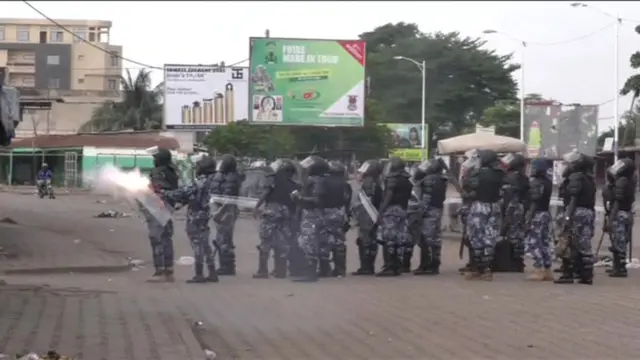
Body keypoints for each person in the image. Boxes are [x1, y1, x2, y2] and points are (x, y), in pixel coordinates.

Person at [162, 155, 219, 283]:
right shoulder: (212, 180)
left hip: (196, 215)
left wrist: (164, 193)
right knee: (205, 244)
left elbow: (183, 192)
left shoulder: (201, 181)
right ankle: (212, 272)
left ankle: (199, 274)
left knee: (197, 244)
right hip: (205, 214)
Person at [252, 159, 300, 279]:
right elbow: (297, 202)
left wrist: (256, 206)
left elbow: (265, 193)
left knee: (266, 241)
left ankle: (262, 271)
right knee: (282, 242)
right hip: (286, 214)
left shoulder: (274, 180)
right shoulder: (295, 185)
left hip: (272, 212)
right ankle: (280, 271)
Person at [554, 151, 596, 285]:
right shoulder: (588, 178)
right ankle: (586, 275)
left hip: (575, 213)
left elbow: (573, 198)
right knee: (584, 244)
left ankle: (568, 274)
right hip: (587, 212)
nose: (567, 166)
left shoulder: (575, 178)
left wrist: (567, 217)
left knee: (568, 242)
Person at [462, 149, 504, 281]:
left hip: (480, 206)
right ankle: (487, 269)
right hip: (495, 206)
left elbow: (467, 185)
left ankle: (478, 268)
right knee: (490, 238)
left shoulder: (477, 173)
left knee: (476, 237)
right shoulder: (500, 174)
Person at [290, 155, 330, 282]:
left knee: (309, 243)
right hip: (311, 214)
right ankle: (317, 270)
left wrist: (300, 199)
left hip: (312, 215)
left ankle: (310, 273)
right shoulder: (316, 179)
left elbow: (317, 200)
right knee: (310, 242)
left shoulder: (316, 180)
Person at [146, 147, 180, 283]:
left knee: (156, 238)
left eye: (155, 158)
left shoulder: (157, 172)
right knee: (167, 238)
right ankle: (169, 271)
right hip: (169, 207)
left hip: (158, 208)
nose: (153, 160)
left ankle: (159, 271)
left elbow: (156, 190)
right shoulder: (172, 171)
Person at [376, 157, 413, 277]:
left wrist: (381, 211)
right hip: (402, 209)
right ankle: (397, 265)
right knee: (399, 238)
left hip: (391, 210)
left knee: (389, 238)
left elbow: (389, 195)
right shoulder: (406, 179)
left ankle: (389, 266)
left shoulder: (392, 179)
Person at [603, 158, 636, 278]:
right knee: (619, 241)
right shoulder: (630, 180)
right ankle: (617, 267)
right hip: (626, 214)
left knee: (619, 242)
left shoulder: (622, 181)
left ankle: (620, 269)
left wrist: (610, 219)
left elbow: (617, 201)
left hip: (619, 214)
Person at [211, 154, 243, 276]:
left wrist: (220, 212)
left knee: (225, 238)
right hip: (224, 209)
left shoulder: (231, 178)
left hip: (226, 210)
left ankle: (227, 266)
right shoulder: (227, 176)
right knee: (222, 237)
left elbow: (228, 197)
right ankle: (226, 265)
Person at [414, 159, 447, 275]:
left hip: (429, 212)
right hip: (437, 210)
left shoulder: (429, 179)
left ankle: (426, 265)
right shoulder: (441, 179)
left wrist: (420, 213)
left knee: (426, 239)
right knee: (435, 239)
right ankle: (435, 264)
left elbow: (426, 199)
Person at [523, 158, 554, 281]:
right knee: (544, 242)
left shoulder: (536, 183)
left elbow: (535, 202)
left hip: (536, 214)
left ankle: (538, 269)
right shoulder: (548, 182)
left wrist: (528, 218)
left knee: (534, 242)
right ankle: (547, 269)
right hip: (545, 213)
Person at [352, 159, 383, 275]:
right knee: (371, 241)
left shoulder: (368, 182)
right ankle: (368, 266)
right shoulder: (376, 182)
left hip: (368, 216)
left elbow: (367, 202)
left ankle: (366, 267)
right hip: (372, 216)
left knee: (365, 241)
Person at [500, 153, 530, 272]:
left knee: (513, 235)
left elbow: (509, 196)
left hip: (512, 208)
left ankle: (514, 262)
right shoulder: (523, 177)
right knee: (518, 235)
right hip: (520, 208)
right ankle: (518, 261)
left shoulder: (510, 177)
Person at [323, 161, 352, 277]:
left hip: (326, 212)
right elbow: (348, 201)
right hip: (340, 213)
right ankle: (340, 269)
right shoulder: (346, 185)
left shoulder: (324, 182)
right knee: (339, 242)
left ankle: (325, 269)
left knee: (324, 241)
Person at [403, 167, 424, 273]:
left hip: (411, 214)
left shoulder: (414, 187)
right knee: (411, 240)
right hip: (415, 215)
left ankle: (405, 264)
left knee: (408, 240)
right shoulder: (419, 186)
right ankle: (406, 264)